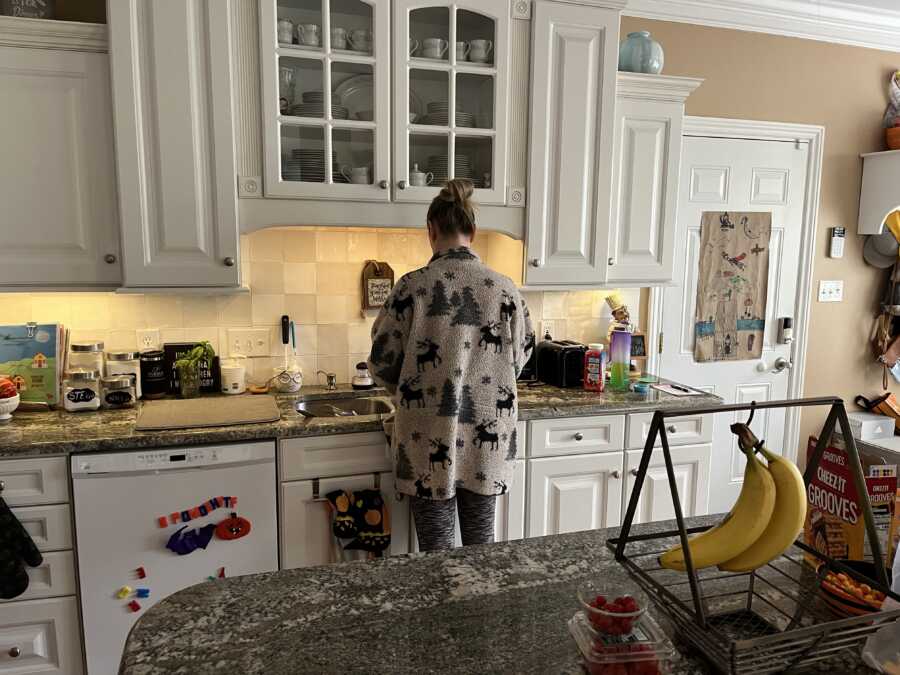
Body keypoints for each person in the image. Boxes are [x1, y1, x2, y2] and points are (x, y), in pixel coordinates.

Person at [367, 179, 535, 551]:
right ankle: (480, 609)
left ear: (431, 230)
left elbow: (380, 364)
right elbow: (521, 357)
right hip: (485, 454)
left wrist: (412, 384)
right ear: (472, 231)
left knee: (436, 553)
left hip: (426, 441)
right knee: (480, 547)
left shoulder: (411, 287)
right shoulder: (505, 289)